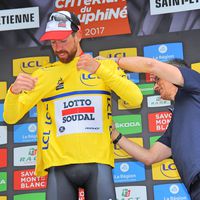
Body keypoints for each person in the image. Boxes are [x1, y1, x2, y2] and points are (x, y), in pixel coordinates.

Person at [3, 11, 143, 200]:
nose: (58, 48)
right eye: (53, 42)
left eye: (62, 40)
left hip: (98, 163)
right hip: (58, 167)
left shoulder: (102, 66)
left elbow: (136, 99)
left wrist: (100, 70)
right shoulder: (44, 75)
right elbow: (10, 117)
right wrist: (13, 92)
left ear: (78, 35)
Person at [111, 57, 200, 200]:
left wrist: (112, 62)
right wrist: (115, 135)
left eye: (157, 79)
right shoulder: (175, 123)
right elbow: (149, 156)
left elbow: (151, 65)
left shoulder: (195, 83)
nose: (155, 87)